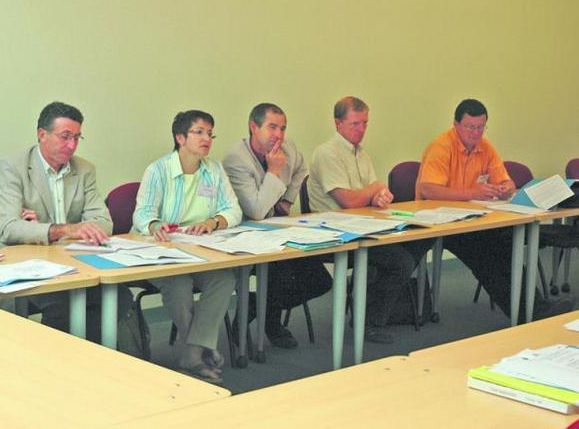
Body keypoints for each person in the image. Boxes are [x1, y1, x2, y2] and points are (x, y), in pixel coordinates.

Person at [416, 98, 573, 321]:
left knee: (506, 245)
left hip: (477, 220)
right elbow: (428, 189)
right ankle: (526, 313)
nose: (476, 133)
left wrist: (506, 188)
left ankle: (534, 306)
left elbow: (505, 181)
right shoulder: (441, 147)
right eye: (470, 127)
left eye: (481, 127)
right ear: (456, 125)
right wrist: (473, 192)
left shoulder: (486, 147)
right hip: (444, 223)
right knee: (486, 254)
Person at [0, 101, 133, 341]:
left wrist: (46, 229)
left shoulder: (84, 169)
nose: (72, 146)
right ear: (42, 135)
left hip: (75, 263)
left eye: (77, 138)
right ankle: (57, 362)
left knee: (120, 296)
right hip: (29, 263)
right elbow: (9, 229)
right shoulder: (14, 167)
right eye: (65, 137)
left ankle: (91, 358)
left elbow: (103, 222)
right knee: (62, 302)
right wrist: (68, 229)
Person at [308, 96, 431, 343]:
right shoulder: (326, 153)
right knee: (401, 263)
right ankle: (369, 321)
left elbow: (367, 197)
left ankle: (368, 303)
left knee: (419, 241)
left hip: (363, 227)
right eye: (355, 123)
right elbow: (349, 201)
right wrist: (375, 188)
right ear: (337, 124)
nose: (362, 129)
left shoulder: (361, 155)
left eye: (365, 123)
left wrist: (379, 197)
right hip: (335, 234)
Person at [133, 110, 242, 383]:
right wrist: (155, 224)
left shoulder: (213, 170)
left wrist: (214, 222)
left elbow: (233, 209)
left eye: (210, 133)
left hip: (202, 251)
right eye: (199, 132)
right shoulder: (158, 170)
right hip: (164, 252)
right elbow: (141, 214)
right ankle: (199, 350)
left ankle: (192, 351)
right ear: (180, 137)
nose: (207, 139)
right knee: (179, 286)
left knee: (224, 278)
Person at [222, 103, 332, 349]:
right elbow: (257, 211)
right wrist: (273, 170)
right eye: (272, 127)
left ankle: (256, 306)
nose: (279, 135)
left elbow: (302, 169)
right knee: (279, 272)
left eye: (282, 128)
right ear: (253, 127)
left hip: (279, 231)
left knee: (321, 281)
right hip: (246, 236)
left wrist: (287, 200)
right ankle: (272, 323)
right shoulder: (235, 160)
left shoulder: (288, 149)